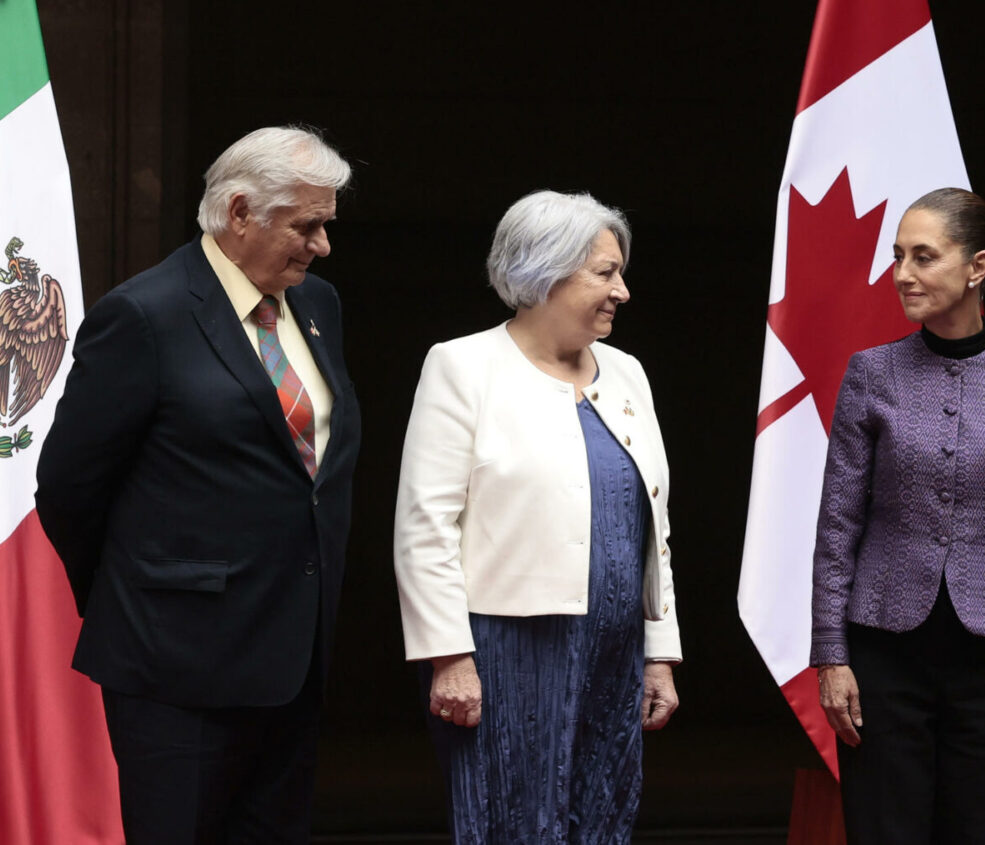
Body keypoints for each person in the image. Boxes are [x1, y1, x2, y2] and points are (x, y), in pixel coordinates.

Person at [35, 125, 360, 844]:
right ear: (240, 212)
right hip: (177, 670)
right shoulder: (143, 315)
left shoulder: (318, 305)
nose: (322, 245)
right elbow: (67, 486)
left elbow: (312, 468)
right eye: (306, 225)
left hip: (292, 660)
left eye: (326, 225)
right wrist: (145, 594)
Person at [393, 190, 681, 842]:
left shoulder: (628, 373)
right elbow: (424, 526)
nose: (623, 291)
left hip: (615, 652)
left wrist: (659, 653)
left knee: (603, 819)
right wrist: (448, 656)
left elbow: (653, 528)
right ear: (547, 272)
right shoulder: (462, 366)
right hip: (506, 654)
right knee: (512, 820)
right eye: (606, 272)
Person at [810, 187, 985, 844]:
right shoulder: (871, 375)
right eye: (898, 255)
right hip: (882, 657)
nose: (902, 273)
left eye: (923, 257)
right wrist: (831, 654)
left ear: (977, 266)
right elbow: (837, 526)